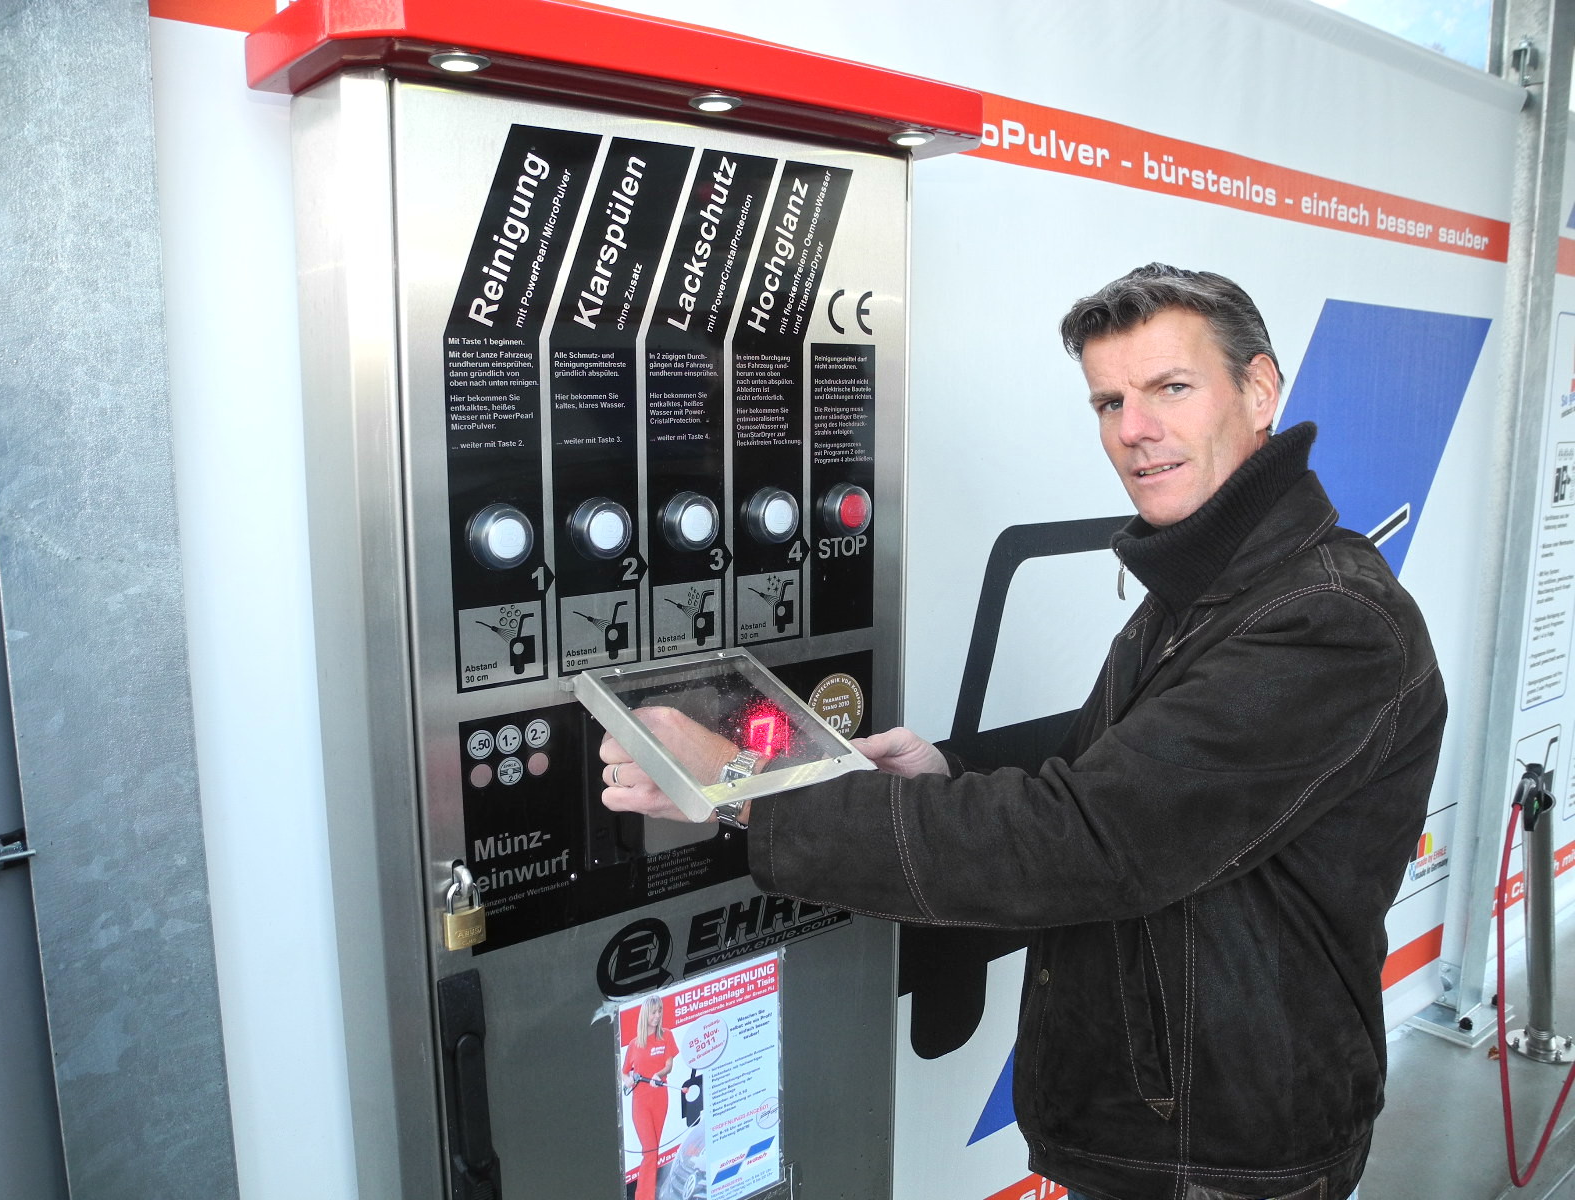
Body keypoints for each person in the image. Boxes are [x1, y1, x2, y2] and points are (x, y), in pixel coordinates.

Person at [600, 264, 1445, 1200]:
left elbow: (1091, 840)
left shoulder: (1326, 621)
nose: (1134, 430)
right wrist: (947, 770)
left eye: (1171, 388)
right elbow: (1128, 771)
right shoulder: (1215, 578)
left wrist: (750, 789)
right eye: (1109, 402)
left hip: (1222, 1157)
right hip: (1175, 1134)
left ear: (1259, 390)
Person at [622, 995, 678, 1200]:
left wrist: (659, 1075)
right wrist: (628, 1080)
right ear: (645, 1014)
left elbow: (669, 1065)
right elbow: (624, 1072)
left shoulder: (667, 1036)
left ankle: (647, 1194)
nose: (657, 1016)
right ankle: (643, 1196)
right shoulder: (634, 1044)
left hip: (660, 1100)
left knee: (653, 1151)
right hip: (641, 1103)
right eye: (654, 1012)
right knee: (649, 1149)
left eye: (659, 1011)